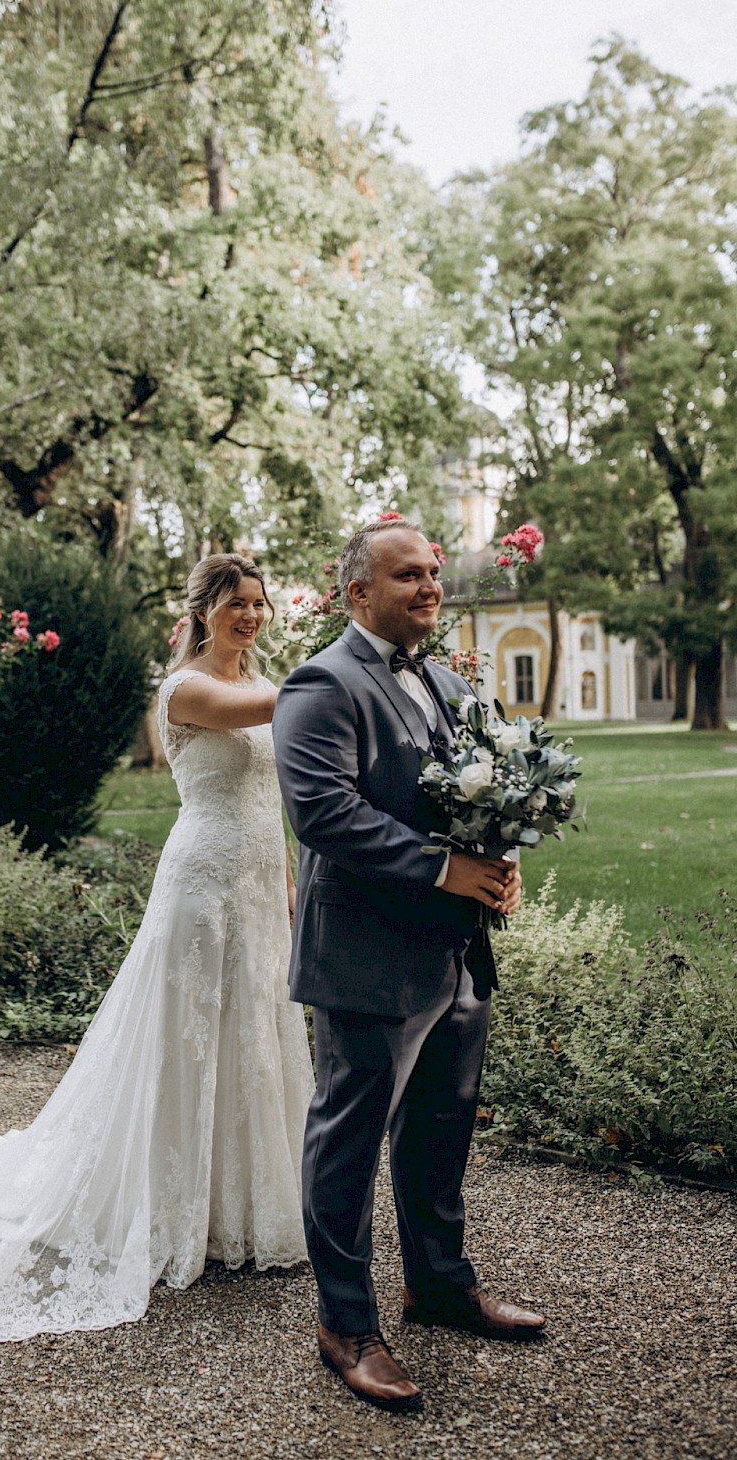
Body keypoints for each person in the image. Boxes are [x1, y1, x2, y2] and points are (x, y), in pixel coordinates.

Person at [0, 554, 315, 1343]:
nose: (251, 617)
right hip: (202, 886)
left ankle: (244, 1206)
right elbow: (276, 704)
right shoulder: (187, 688)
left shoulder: (267, 680)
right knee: (190, 1038)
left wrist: (288, 879)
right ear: (203, 610)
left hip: (257, 886)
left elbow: (270, 792)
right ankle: (170, 1205)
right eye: (236, 605)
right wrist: (345, 668)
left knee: (253, 1033)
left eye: (259, 604)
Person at [272, 517, 545, 1413]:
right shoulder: (321, 684)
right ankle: (344, 1325)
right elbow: (322, 813)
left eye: (433, 572)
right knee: (348, 1142)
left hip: (458, 950)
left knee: (439, 1130)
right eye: (407, 576)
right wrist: (443, 868)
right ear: (358, 594)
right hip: (366, 956)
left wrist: (502, 865)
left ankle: (439, 1285)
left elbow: (489, 795)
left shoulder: (449, 681)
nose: (431, 585)